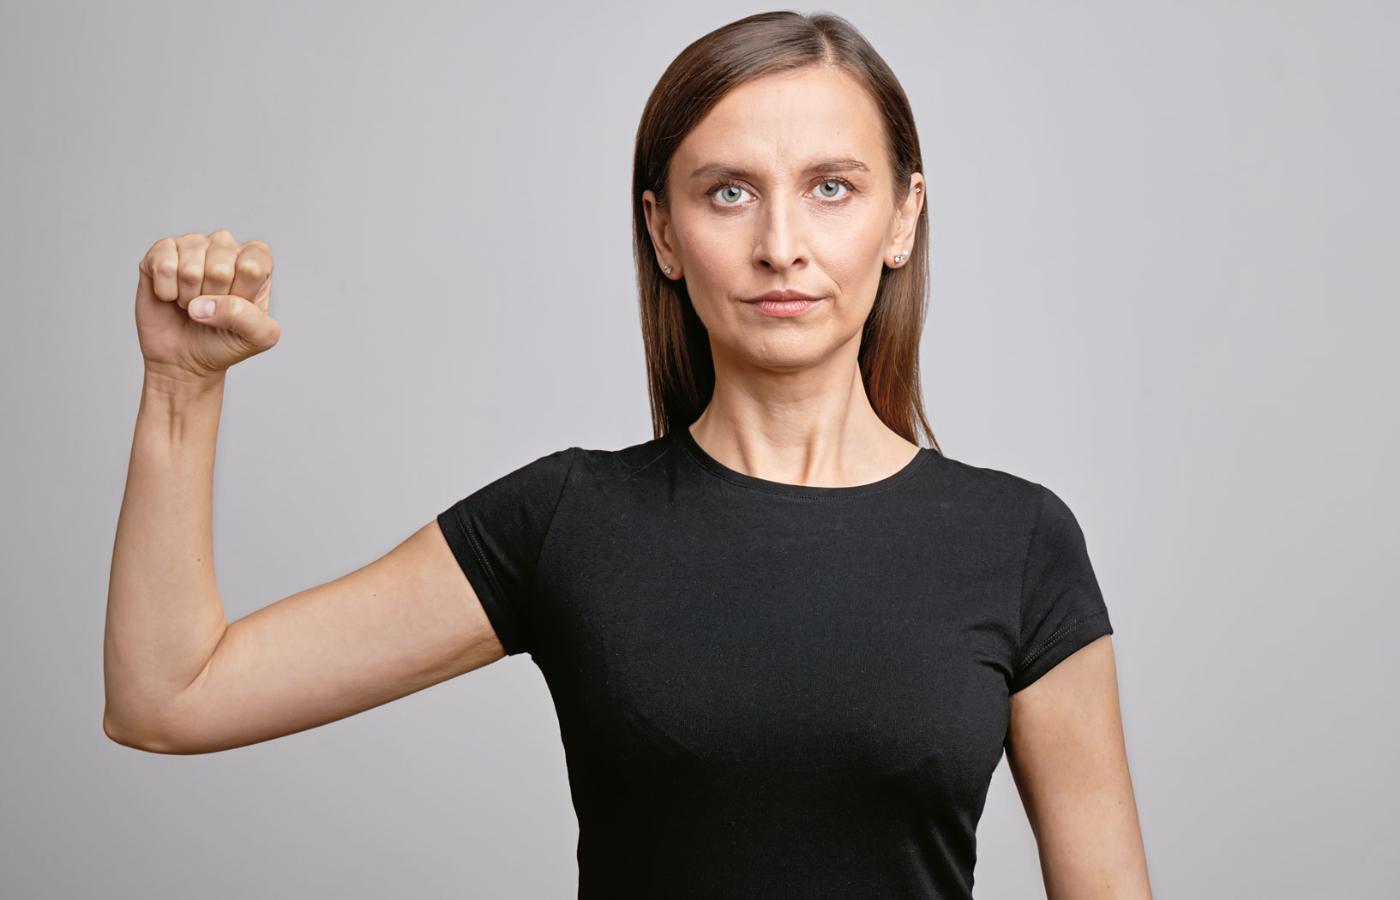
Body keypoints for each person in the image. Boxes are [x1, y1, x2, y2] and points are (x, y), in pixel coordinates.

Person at [103, 10, 1151, 899]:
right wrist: (180, 389)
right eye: (728, 192)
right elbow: (169, 697)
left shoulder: (1017, 542)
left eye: (831, 187)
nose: (780, 245)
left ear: (901, 217)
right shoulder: (571, 521)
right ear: (662, 232)